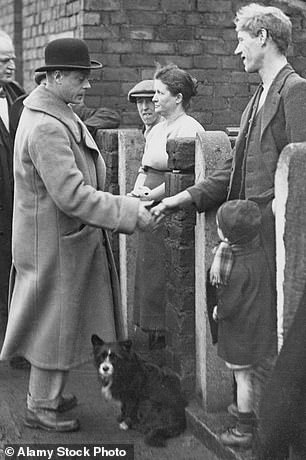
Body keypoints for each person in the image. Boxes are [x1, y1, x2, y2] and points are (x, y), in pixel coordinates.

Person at [0, 37, 153, 432]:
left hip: (55, 239)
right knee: (53, 326)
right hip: (54, 242)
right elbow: (71, 195)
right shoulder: (47, 126)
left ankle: (47, 396)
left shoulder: (49, 112)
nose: (87, 85)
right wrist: (128, 211)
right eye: (80, 77)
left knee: (61, 324)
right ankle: (40, 404)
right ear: (53, 77)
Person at [151, 4, 306, 353]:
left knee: (274, 339)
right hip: (249, 241)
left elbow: (301, 174)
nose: (237, 49)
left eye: (242, 39)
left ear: (263, 38)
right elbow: (235, 168)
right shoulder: (257, 97)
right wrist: (183, 197)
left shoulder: (295, 91)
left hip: (277, 239)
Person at [131, 64, 205, 349]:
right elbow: (145, 164)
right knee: (148, 268)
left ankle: (162, 334)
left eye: (160, 93)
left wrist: (153, 194)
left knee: (164, 269)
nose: (153, 99)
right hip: (148, 202)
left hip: (168, 206)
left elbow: (182, 175)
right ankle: (149, 329)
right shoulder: (156, 129)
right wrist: (138, 188)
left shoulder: (189, 128)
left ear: (177, 97)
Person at [211, 200, 276, 448]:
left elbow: (229, 303)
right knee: (254, 376)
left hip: (241, 332)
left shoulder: (235, 266)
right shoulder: (258, 253)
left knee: (243, 378)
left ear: (227, 234)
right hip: (259, 326)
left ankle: (243, 429)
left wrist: (219, 310)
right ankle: (250, 413)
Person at [0, 30, 25, 348]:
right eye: (3, 60)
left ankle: (16, 346)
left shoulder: (18, 95)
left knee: (15, 279)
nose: (10, 66)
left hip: (16, 207)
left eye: (13, 59)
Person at [10, 71, 121, 140]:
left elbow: (110, 116)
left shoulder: (72, 109)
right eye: (45, 86)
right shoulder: (27, 110)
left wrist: (79, 130)